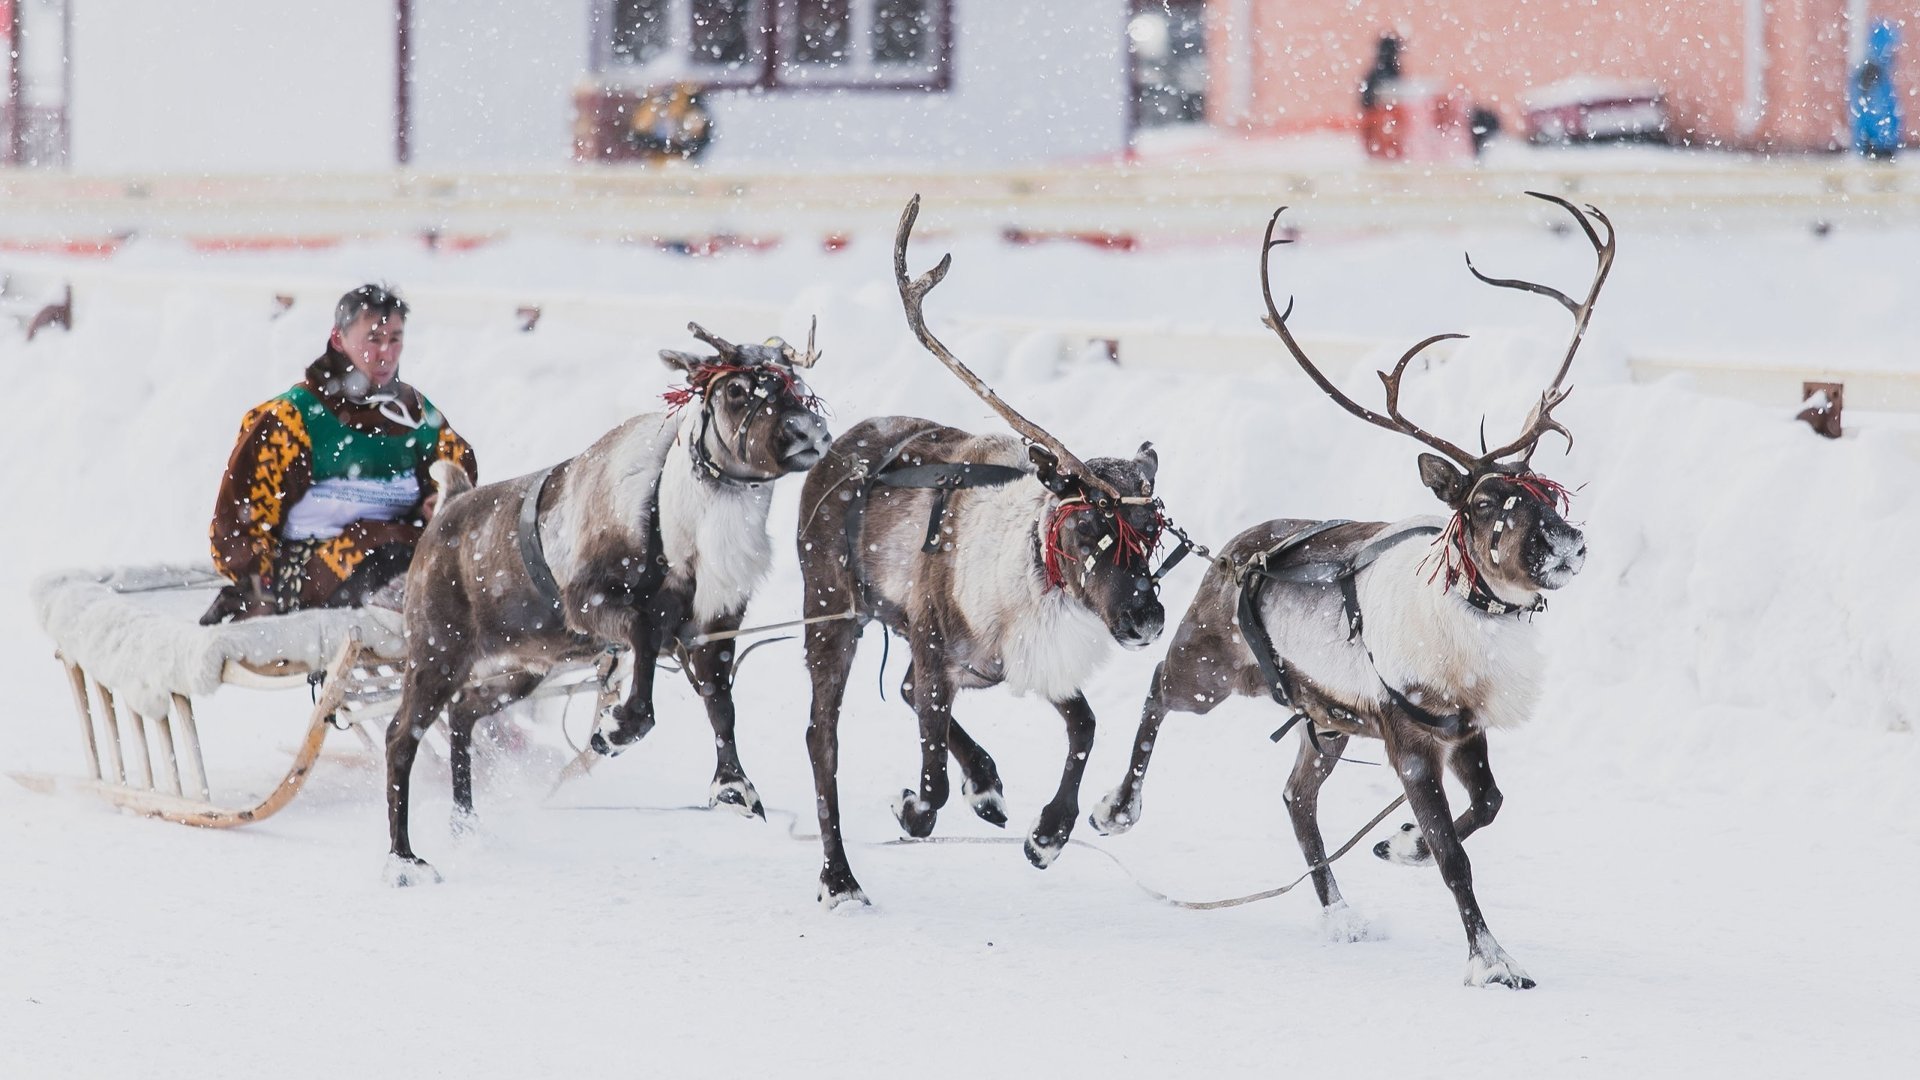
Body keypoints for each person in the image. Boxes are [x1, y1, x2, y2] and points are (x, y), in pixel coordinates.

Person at [201, 284, 477, 624]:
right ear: (338, 339)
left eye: (395, 338)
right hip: (310, 573)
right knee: (391, 555)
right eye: (373, 339)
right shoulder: (291, 419)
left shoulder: (414, 413)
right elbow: (238, 525)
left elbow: (458, 468)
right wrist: (260, 589)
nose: (386, 353)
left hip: (407, 561)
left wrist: (442, 497)